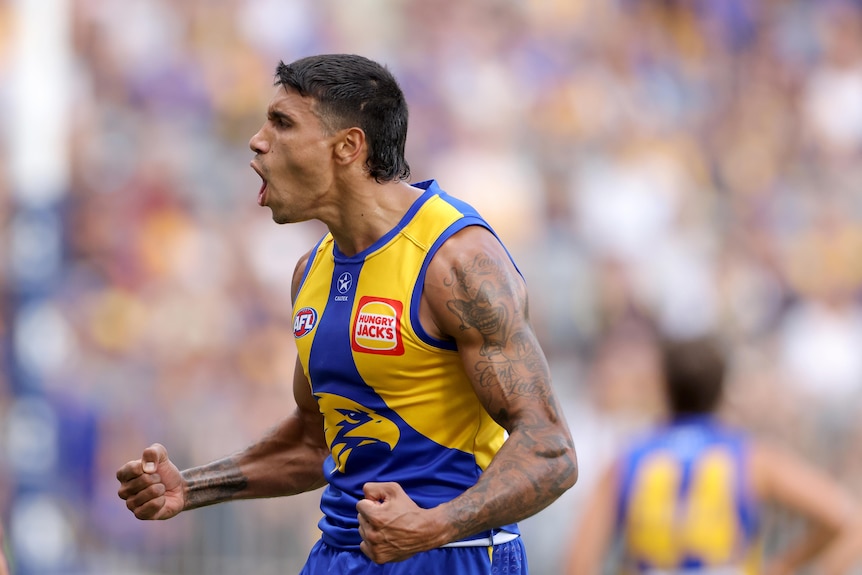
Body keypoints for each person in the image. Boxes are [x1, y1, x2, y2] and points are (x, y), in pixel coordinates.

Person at [116, 53, 577, 574]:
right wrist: (190, 487)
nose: (257, 140)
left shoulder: (456, 262)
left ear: (348, 147)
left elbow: (550, 449)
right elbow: (316, 440)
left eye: (282, 123)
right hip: (338, 557)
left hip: (451, 557)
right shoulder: (309, 272)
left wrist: (433, 524)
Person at [563, 334, 862, 575]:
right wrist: (784, 566)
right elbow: (841, 517)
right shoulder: (752, 458)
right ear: (723, 390)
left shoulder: (627, 460)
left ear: (664, 387)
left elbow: (578, 563)